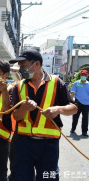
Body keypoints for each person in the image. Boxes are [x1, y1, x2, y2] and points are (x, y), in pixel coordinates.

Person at [9, 49, 77, 181]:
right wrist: (24, 108)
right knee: (21, 177)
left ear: (37, 64)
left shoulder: (57, 83)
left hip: (49, 145)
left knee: (48, 178)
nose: (21, 69)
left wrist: (58, 109)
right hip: (23, 143)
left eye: (23, 65)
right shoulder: (18, 87)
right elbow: (16, 117)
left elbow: (73, 108)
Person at [70, 69, 89, 137]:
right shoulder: (76, 83)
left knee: (85, 118)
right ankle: (73, 128)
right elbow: (72, 92)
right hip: (78, 102)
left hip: (87, 104)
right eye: (82, 75)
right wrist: (71, 102)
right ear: (80, 75)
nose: (83, 76)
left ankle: (84, 132)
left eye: (85, 75)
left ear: (87, 76)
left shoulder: (88, 84)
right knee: (75, 116)